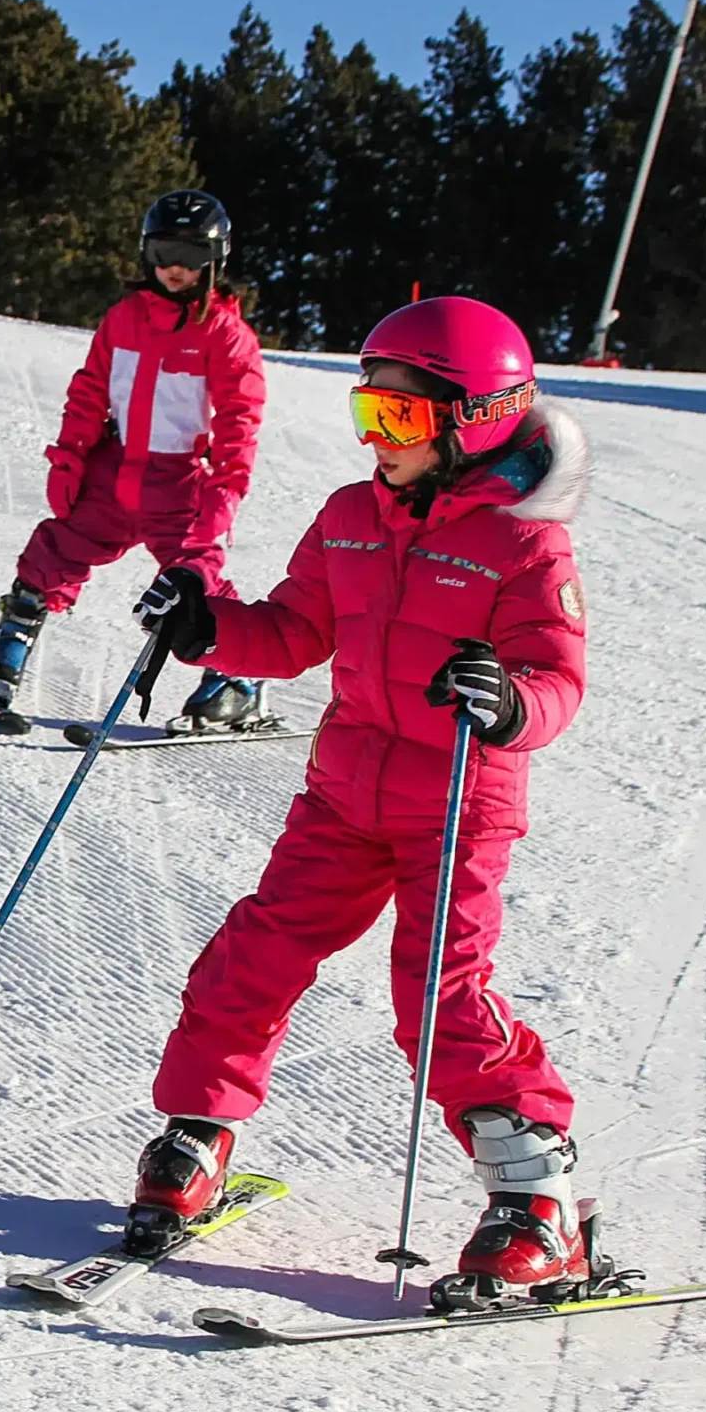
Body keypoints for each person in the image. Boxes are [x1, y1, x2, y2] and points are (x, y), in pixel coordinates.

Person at [123, 295, 594, 1305]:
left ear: (477, 422)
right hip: (343, 797)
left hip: (456, 805)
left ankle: (536, 1199)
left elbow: (556, 682)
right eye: (368, 414)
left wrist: (507, 701)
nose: (378, 439)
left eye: (403, 420)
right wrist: (207, 629)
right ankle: (196, 1134)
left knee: (440, 1000)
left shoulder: (524, 546)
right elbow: (293, 632)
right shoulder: (349, 517)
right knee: (255, 951)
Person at [0, 191, 268, 734]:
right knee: (57, 548)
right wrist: (70, 460)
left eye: (190, 254)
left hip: (178, 482)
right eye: (162, 252)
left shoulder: (227, 338)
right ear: (144, 254)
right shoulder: (124, 319)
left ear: (215, 259)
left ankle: (236, 679)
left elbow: (238, 430)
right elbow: (90, 392)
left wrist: (220, 508)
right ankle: (10, 640)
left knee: (193, 579)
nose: (175, 268)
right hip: (115, 469)